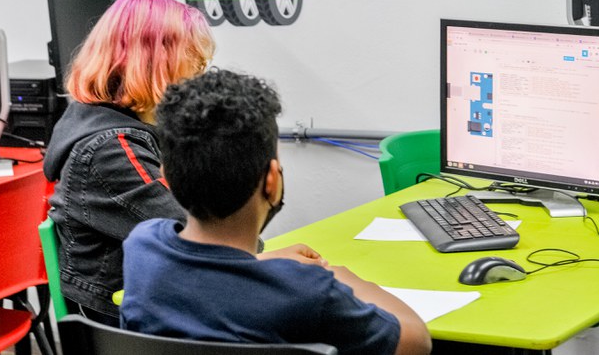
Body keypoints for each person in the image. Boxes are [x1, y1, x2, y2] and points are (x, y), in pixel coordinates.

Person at [121, 69, 432, 355]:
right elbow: (416, 341)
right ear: (272, 180)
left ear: (167, 176)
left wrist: (261, 265)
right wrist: (341, 277)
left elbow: (209, 282)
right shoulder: (309, 292)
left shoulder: (143, 248)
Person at [42, 0, 215, 326]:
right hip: (123, 322)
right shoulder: (111, 148)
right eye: (193, 58)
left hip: (153, 293)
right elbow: (196, 232)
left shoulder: (131, 123)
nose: (200, 71)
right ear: (155, 62)